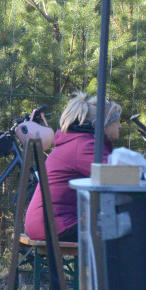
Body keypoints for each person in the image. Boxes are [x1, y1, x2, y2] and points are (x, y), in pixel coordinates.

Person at [24, 92, 122, 242]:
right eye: (116, 122)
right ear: (104, 124)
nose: (120, 126)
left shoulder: (78, 142)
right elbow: (117, 178)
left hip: (47, 222)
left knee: (119, 227)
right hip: (55, 224)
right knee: (125, 229)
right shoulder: (85, 145)